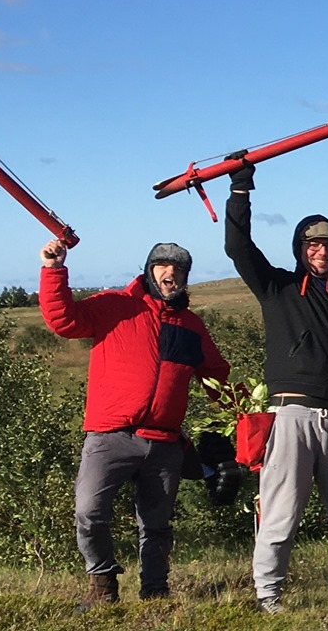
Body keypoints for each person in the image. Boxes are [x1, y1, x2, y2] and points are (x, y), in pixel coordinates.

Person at [40, 237, 229, 607]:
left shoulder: (191, 325)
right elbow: (63, 320)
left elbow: (216, 377)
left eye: (178, 268)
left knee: (156, 526)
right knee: (88, 512)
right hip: (109, 436)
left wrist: (243, 419)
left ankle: (155, 591)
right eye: (162, 265)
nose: (169, 272)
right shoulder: (114, 305)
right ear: (149, 269)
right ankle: (103, 586)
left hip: (164, 441)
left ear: (185, 277)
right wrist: (53, 270)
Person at [224, 164, 328, 612]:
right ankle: (268, 595)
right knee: (281, 511)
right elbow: (237, 247)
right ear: (300, 249)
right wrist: (239, 189)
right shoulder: (278, 288)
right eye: (313, 244)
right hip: (292, 415)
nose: (321, 251)